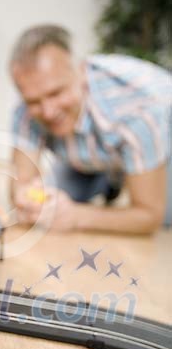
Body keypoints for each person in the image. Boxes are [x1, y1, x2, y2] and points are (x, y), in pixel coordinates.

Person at [10, 25, 172, 234]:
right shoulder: (27, 106)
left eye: (56, 93)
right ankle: (109, 180)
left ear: (81, 72)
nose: (48, 112)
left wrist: (77, 216)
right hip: (96, 148)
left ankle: (117, 177)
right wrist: (24, 198)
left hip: (163, 140)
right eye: (33, 101)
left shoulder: (136, 111)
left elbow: (149, 216)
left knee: (166, 218)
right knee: (51, 203)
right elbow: (20, 184)